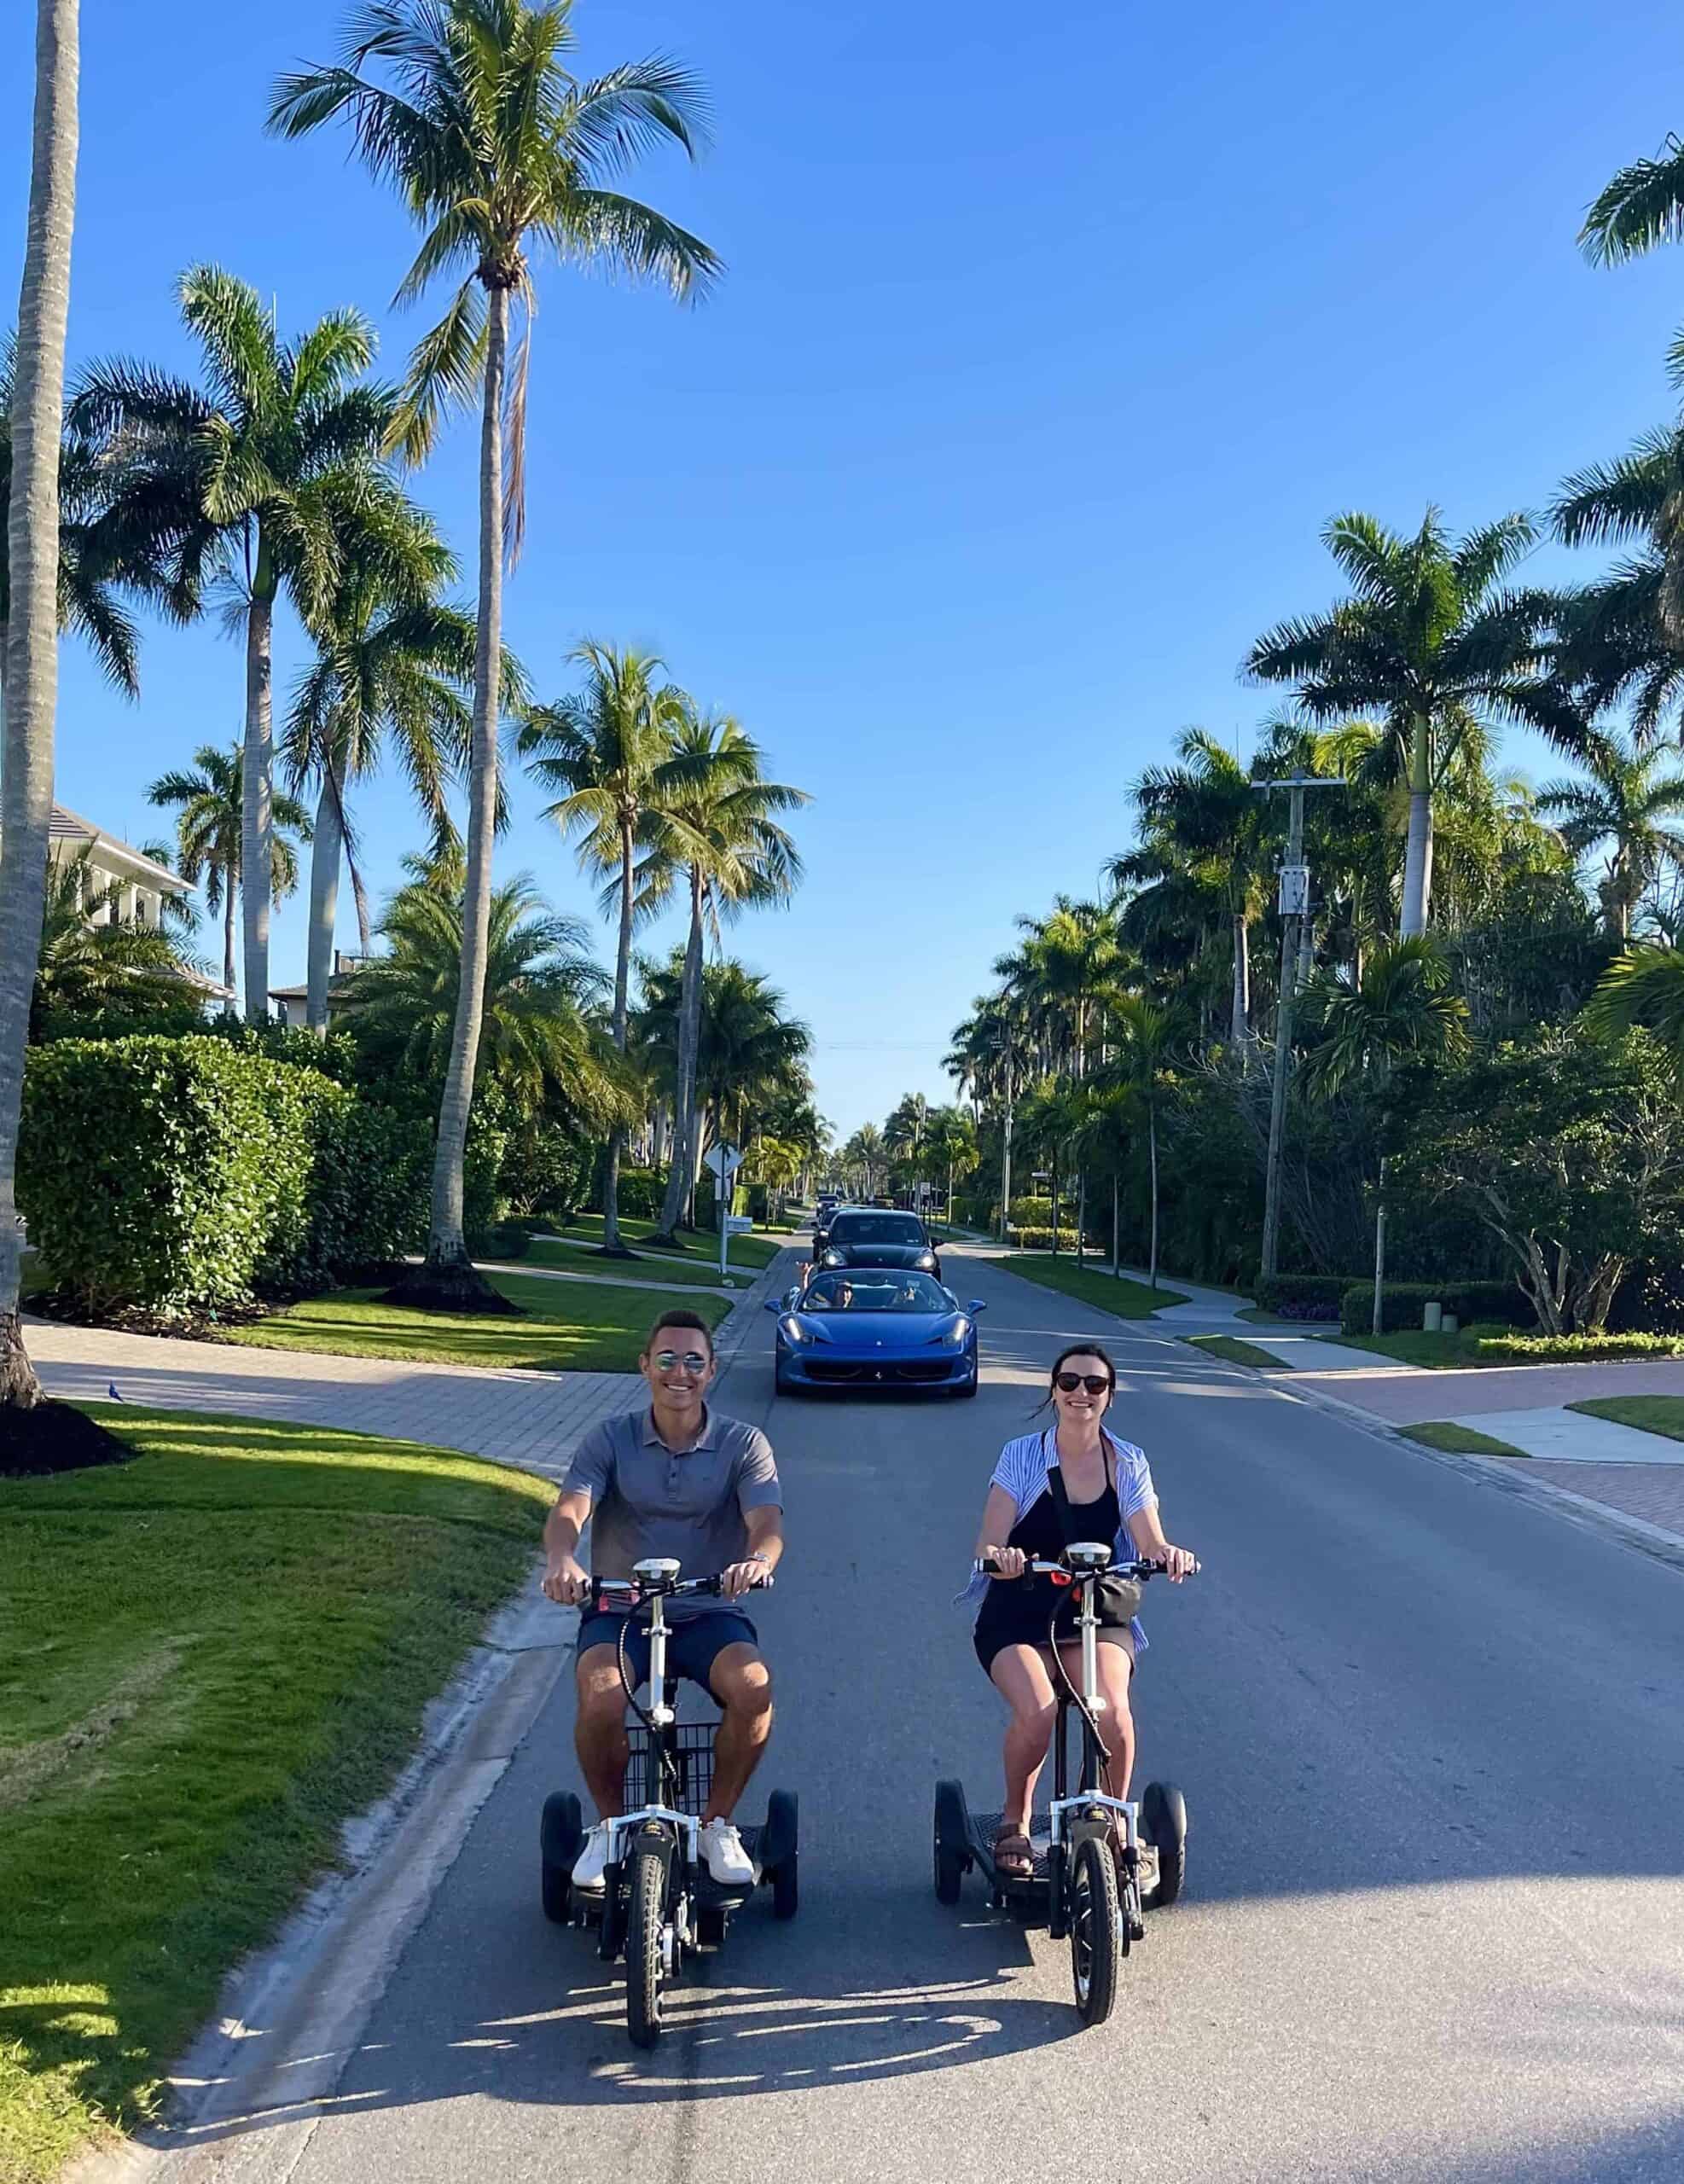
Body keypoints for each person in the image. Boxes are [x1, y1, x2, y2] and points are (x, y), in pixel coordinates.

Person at [542, 1307, 784, 1891]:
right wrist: (562, 1559)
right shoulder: (610, 1438)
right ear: (646, 1365)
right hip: (621, 1609)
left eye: (694, 1361)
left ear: (711, 1370)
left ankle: (716, 1822)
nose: (681, 1372)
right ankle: (608, 1826)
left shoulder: (743, 1443)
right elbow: (571, 1508)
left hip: (707, 1609)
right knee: (599, 1696)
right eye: (668, 1359)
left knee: (754, 1689)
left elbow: (767, 1521)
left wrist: (758, 1561)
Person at [967, 1343, 1195, 1880]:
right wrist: (1001, 1559)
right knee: (1040, 1709)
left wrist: (1169, 1555)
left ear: (1109, 1397)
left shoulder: (1128, 1461)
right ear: (1053, 1391)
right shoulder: (1021, 1456)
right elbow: (988, 1540)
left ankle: (1115, 1819)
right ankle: (1015, 1821)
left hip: (1094, 1609)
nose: (1081, 1394)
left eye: (1094, 1385)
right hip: (1019, 1609)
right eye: (1070, 1382)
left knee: (1112, 1712)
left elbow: (1148, 1539)